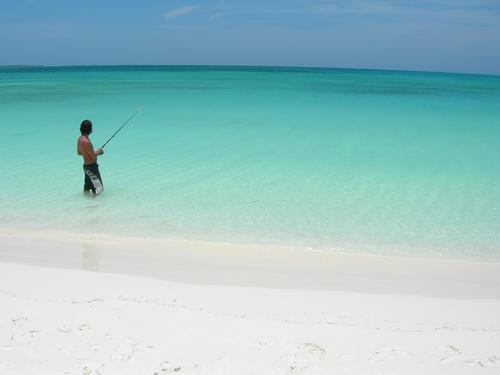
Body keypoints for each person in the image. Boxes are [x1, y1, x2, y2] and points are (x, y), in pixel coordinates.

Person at [77, 120, 105, 195]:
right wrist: (99, 152)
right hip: (92, 168)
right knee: (99, 190)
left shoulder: (80, 139)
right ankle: (94, 206)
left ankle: (85, 204)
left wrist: (88, 153)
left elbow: (79, 153)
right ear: (90, 129)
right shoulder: (87, 142)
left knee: (86, 189)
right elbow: (92, 156)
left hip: (86, 167)